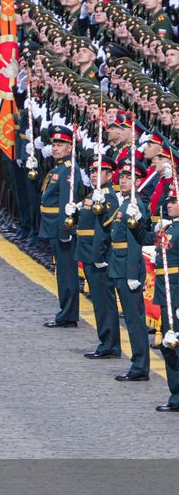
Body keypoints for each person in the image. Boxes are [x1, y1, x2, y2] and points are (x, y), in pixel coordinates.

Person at [104, 162, 154, 381]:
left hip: (127, 269)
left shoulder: (136, 205)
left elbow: (135, 243)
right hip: (119, 266)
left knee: (134, 320)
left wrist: (133, 273)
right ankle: (138, 364)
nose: (123, 180)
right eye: (121, 176)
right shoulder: (124, 202)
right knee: (131, 318)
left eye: (128, 177)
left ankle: (140, 366)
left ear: (138, 181)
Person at [78, 154, 122, 360]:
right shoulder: (93, 195)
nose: (94, 174)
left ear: (110, 175)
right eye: (92, 171)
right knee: (98, 300)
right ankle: (106, 341)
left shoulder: (108, 197)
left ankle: (110, 344)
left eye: (99, 171)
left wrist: (98, 255)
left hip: (99, 256)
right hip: (88, 252)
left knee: (104, 301)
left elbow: (104, 230)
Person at [39, 124, 82, 327]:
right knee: (62, 271)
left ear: (70, 147)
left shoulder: (68, 170)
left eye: (61, 144)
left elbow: (67, 202)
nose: (55, 147)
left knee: (66, 273)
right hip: (53, 227)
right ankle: (66, 311)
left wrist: (65, 229)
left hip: (60, 228)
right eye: (54, 143)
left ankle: (68, 314)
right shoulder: (60, 168)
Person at [155, 188, 179, 412]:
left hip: (177, 294)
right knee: (169, 345)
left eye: (173, 201)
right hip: (166, 293)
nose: (168, 205)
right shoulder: (168, 227)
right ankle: (176, 395)